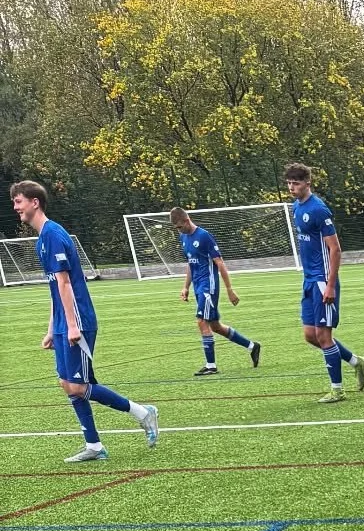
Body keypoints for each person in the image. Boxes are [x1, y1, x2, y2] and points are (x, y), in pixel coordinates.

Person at [10, 179, 157, 465]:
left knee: (78, 386)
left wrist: (72, 325)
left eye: (18, 201)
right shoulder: (42, 239)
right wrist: (52, 329)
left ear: (34, 202)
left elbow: (65, 284)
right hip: (64, 321)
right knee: (67, 383)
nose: (16, 207)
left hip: (77, 319)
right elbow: (54, 289)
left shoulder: (54, 235)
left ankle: (143, 412)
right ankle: (94, 445)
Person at [282, 161, 364, 403]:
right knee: (310, 335)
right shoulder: (296, 207)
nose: (291, 187)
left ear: (307, 183)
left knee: (324, 336)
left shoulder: (319, 209)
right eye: (289, 183)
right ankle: (356, 362)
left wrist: (330, 285)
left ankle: (337, 390)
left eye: (296, 183)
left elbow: (335, 249)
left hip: (322, 280)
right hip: (309, 280)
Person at [169, 208, 260, 375]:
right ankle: (252, 346)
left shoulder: (204, 236)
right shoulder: (183, 237)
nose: (179, 231)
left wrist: (230, 290)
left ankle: (211, 366)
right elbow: (191, 263)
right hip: (198, 286)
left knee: (201, 321)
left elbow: (220, 262)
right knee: (215, 326)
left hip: (208, 286)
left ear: (187, 220)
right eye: (176, 228)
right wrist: (186, 287)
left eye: (180, 227)